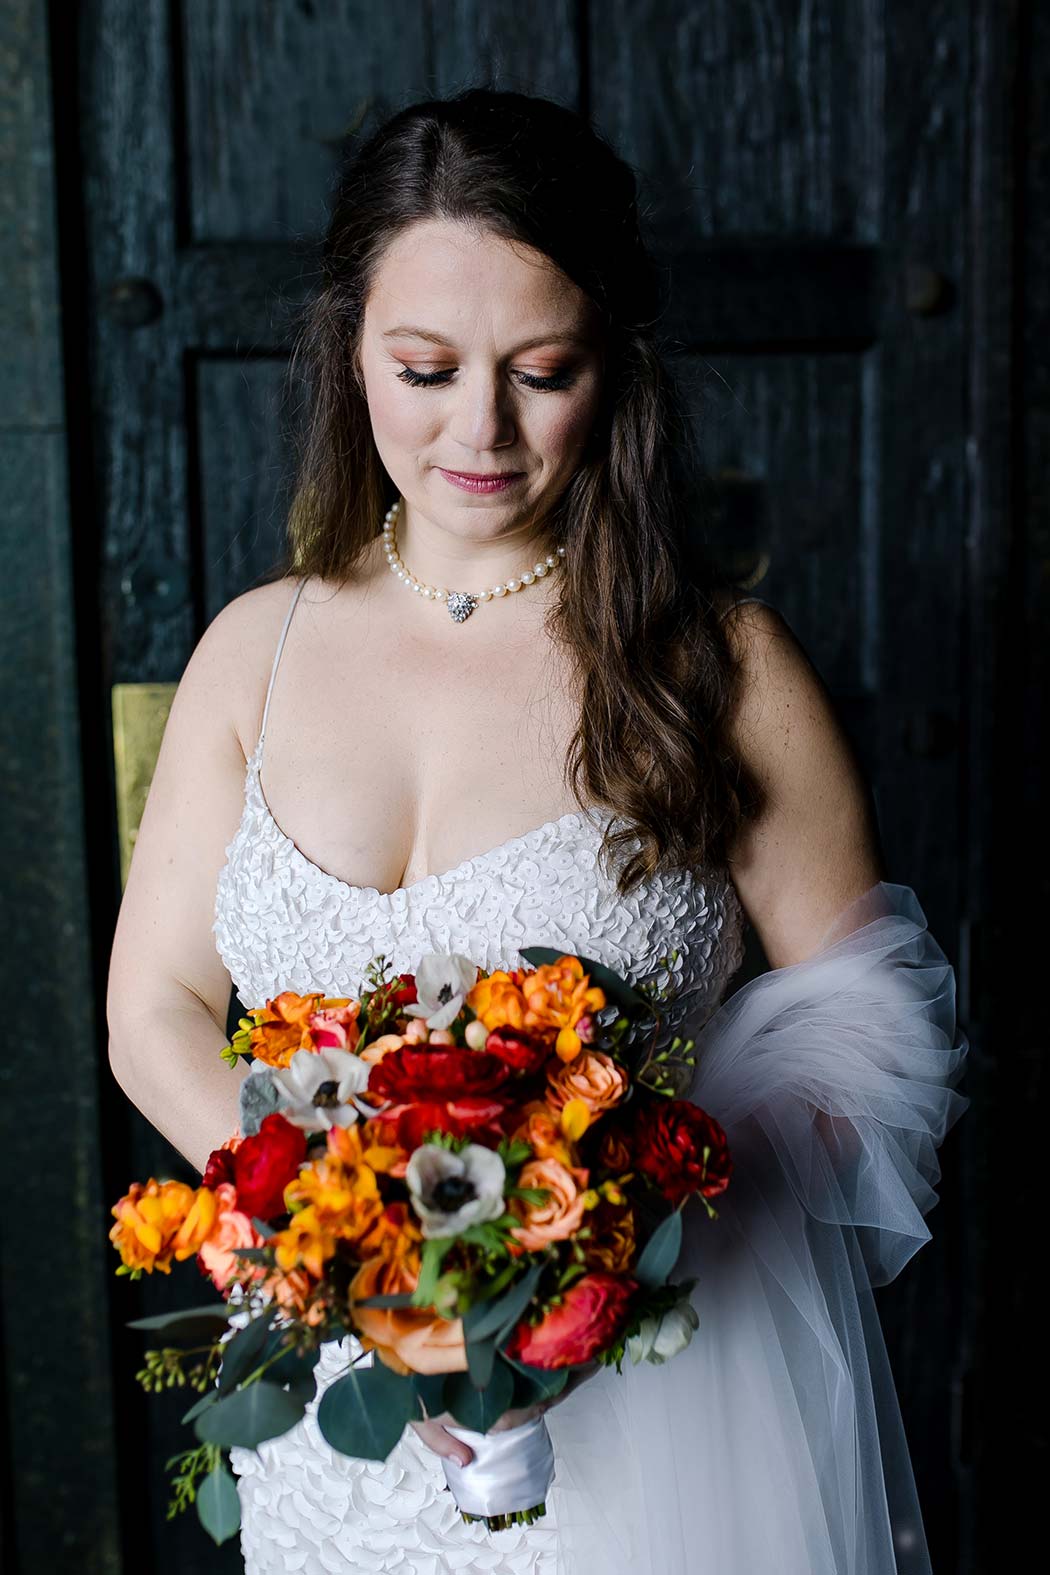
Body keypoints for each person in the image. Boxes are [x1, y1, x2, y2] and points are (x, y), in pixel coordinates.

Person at [107, 87, 969, 1575]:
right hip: (343, 1401)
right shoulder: (257, 648)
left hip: (647, 1406)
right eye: (425, 369)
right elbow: (156, 1008)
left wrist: (592, 1247)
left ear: (612, 369)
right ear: (347, 353)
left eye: (541, 370)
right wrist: (353, 1244)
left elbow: (868, 1028)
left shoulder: (716, 666)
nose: (479, 431)